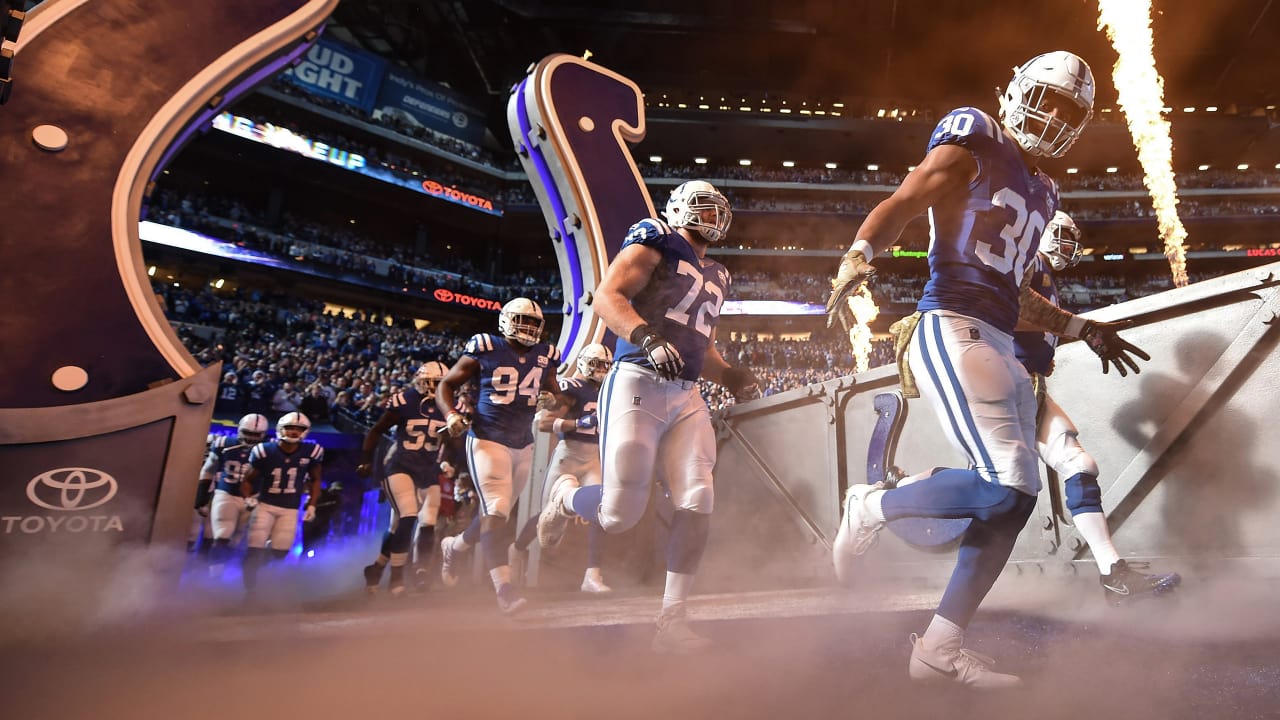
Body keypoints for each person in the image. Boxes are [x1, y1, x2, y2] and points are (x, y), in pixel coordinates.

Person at [826, 52, 1148, 689]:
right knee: (1006, 487)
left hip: (999, 334)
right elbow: (909, 197)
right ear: (1016, 91)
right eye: (1045, 99)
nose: (1052, 117)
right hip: (950, 322)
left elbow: (1016, 292)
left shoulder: (1046, 189)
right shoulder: (976, 133)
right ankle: (872, 506)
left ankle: (939, 647)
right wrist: (861, 250)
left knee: (1012, 499)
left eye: (1068, 111)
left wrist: (1082, 327)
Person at [536, 180, 760, 653]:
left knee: (698, 495)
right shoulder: (656, 236)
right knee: (619, 515)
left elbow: (703, 346)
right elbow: (608, 295)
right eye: (703, 206)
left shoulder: (718, 272)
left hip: (687, 393)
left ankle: (672, 621)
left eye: (720, 209)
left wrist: (731, 376)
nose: (713, 216)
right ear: (677, 207)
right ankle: (565, 496)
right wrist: (645, 338)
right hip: (637, 379)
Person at [435, 298, 566, 614]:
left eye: (534, 323)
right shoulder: (485, 346)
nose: (529, 328)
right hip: (487, 438)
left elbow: (556, 394)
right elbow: (447, 384)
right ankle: (505, 591)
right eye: (522, 320)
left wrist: (553, 400)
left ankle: (455, 546)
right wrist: (451, 414)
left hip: (523, 443)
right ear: (506, 320)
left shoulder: (545, 354)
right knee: (497, 511)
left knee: (496, 515)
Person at [509, 343, 614, 594]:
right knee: (547, 515)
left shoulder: (608, 390)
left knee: (601, 511)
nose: (601, 370)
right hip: (568, 457)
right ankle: (517, 549)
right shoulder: (572, 387)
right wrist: (579, 422)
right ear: (585, 363)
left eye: (605, 366)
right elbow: (544, 423)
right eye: (598, 365)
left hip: (593, 458)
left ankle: (592, 575)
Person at [357, 361, 451, 596]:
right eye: (432, 383)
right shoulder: (404, 400)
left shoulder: (450, 405)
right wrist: (366, 459)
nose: (435, 388)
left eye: (440, 384)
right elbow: (377, 429)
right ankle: (396, 576)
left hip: (428, 470)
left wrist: (452, 452)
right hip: (400, 466)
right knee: (408, 518)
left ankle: (395, 569)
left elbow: (452, 441)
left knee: (426, 523)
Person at [239, 411, 324, 595]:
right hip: (265, 505)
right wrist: (248, 497)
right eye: (290, 428)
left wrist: (312, 504)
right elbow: (247, 479)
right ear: (280, 429)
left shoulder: (312, 452)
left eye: (298, 429)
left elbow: (315, 479)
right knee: (254, 548)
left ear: (305, 431)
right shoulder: (265, 451)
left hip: (290, 508)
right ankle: (249, 591)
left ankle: (260, 576)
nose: (293, 432)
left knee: (280, 552)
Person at [203, 413, 269, 575]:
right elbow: (207, 471)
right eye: (248, 433)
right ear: (239, 430)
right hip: (227, 493)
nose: (251, 438)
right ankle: (214, 577)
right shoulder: (225, 444)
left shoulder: (268, 451)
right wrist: (201, 497)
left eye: (255, 434)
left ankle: (228, 570)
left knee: (239, 538)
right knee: (222, 535)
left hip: (253, 498)